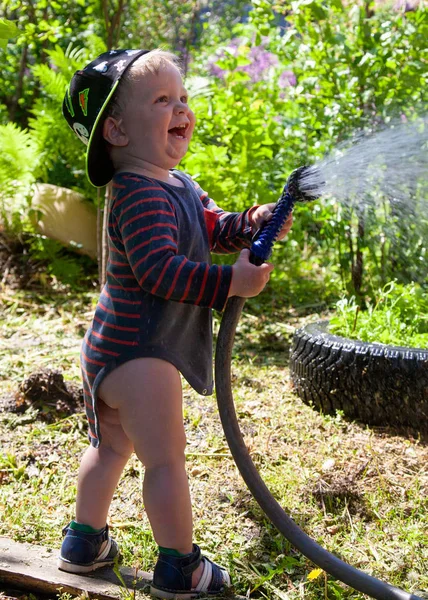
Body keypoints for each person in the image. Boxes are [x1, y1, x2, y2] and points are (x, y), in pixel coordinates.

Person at [58, 48, 293, 598]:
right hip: (141, 353)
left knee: (111, 447)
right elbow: (162, 272)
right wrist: (229, 284)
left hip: (115, 350)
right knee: (164, 461)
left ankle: (83, 541)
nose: (181, 108)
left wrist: (249, 223)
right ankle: (180, 566)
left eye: (183, 97)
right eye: (162, 99)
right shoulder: (138, 194)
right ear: (116, 129)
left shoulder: (174, 184)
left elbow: (209, 228)